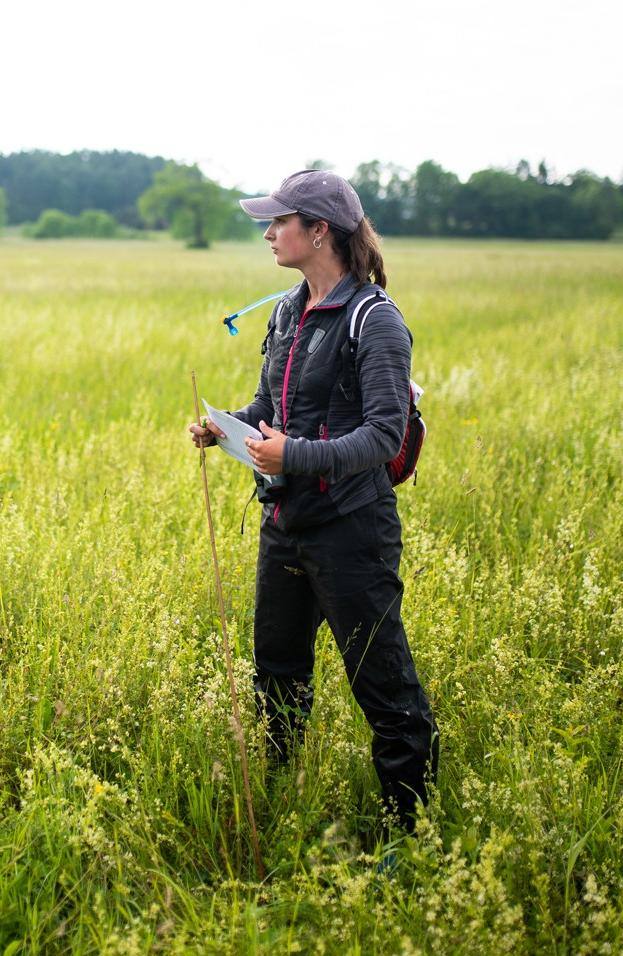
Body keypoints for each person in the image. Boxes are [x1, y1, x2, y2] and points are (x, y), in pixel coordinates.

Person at [190, 170, 438, 833]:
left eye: (280, 223)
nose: (269, 234)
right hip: (285, 521)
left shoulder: (375, 320)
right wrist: (227, 429)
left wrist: (291, 455)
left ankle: (405, 833)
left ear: (319, 230)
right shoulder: (287, 310)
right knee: (276, 673)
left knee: (384, 687)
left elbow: (384, 435)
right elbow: (274, 407)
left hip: (352, 530)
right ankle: (280, 796)